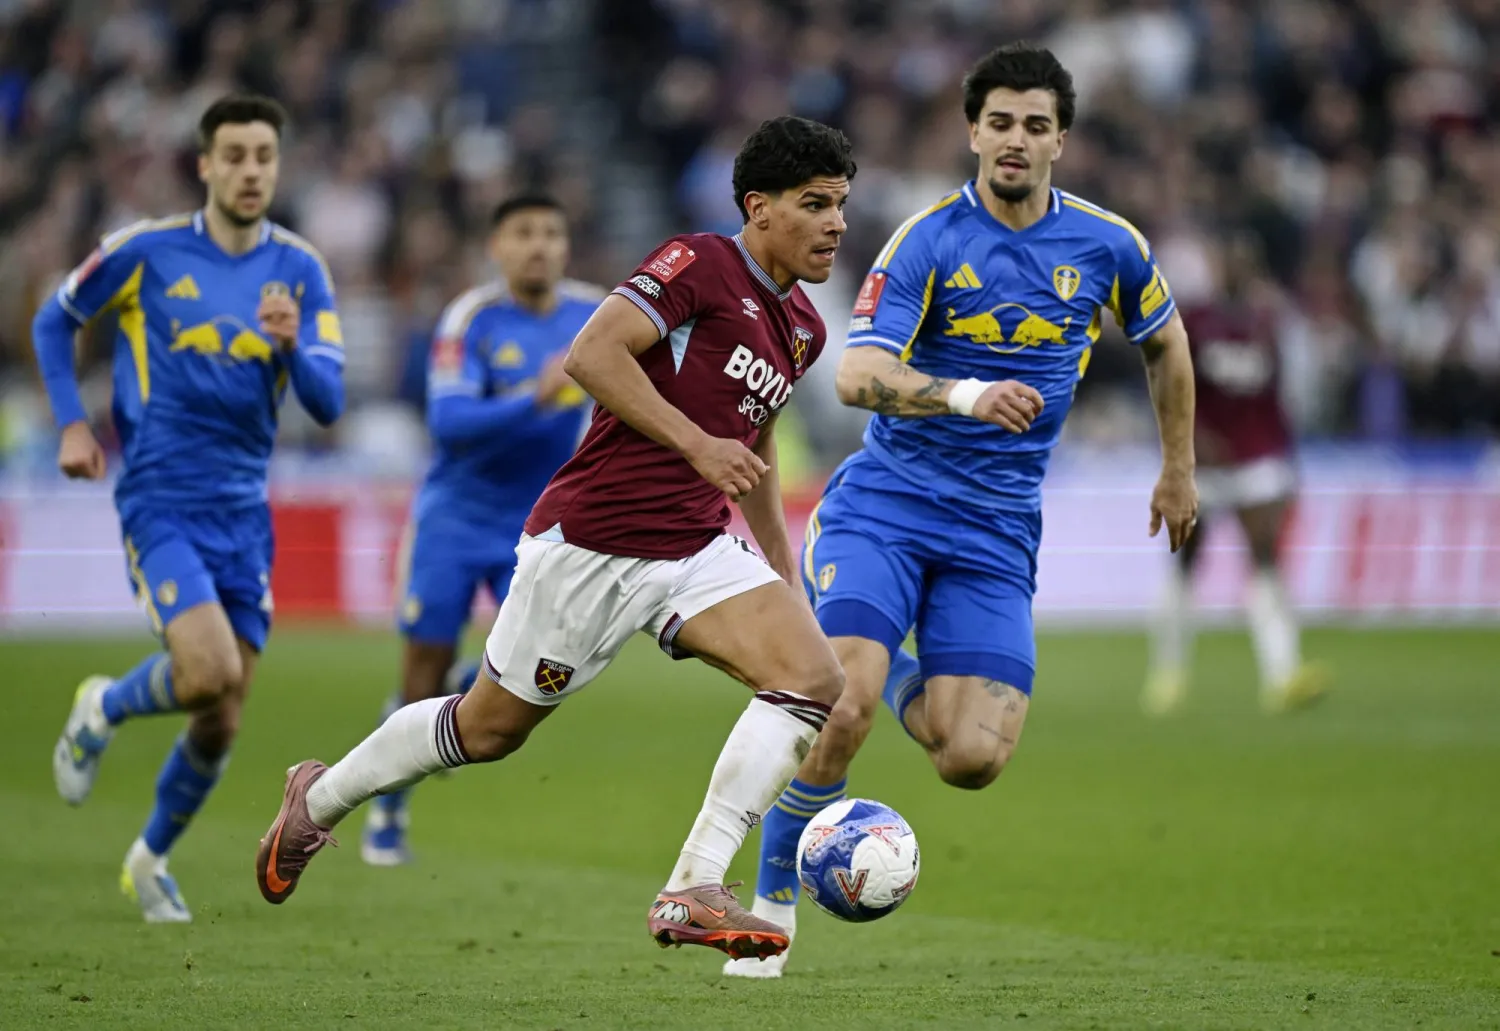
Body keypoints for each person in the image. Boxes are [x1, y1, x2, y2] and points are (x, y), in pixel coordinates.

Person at [255, 116, 856, 964]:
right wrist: (694, 443)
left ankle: (692, 883)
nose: (836, 222)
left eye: (841, 204)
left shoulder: (802, 328)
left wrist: (781, 571)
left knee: (813, 677)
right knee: (489, 729)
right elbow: (590, 354)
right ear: (759, 208)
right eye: (816, 203)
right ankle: (317, 799)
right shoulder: (698, 263)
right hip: (591, 542)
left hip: (689, 550)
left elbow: (751, 438)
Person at [727, 42, 1198, 978]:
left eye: (1035, 125)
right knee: (843, 699)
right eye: (999, 123)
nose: (1015, 140)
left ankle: (885, 670)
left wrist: (1177, 469)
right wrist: (964, 393)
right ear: (972, 131)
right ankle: (772, 903)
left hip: (995, 529)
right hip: (887, 509)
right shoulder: (929, 239)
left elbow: (1167, 346)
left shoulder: (1109, 245)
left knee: (970, 756)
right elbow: (857, 373)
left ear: (1061, 138)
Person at [38, 94, 344, 923]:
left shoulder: (303, 270)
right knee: (207, 669)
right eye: (235, 156)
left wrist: (289, 346)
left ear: (278, 167)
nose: (251, 171)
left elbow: (328, 400)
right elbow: (52, 319)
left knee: (221, 714)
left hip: (245, 511)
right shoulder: (147, 251)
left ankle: (149, 858)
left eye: (264, 157)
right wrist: (72, 421)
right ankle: (101, 704)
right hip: (161, 495)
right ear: (205, 165)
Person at [363, 194, 604, 866]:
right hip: (455, 518)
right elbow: (451, 424)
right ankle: (388, 808)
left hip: (540, 524)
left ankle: (455, 700)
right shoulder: (472, 318)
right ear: (496, 248)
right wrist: (538, 393)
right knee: (422, 673)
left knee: (558, 660)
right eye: (523, 233)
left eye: (552, 233)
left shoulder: (596, 312)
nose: (540, 246)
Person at [1142, 233, 1327, 716]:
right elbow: (1170, 380)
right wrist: (1189, 439)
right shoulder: (1195, 322)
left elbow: (1277, 396)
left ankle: (1283, 675)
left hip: (1260, 457)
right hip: (1204, 463)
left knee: (1265, 556)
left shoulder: (1268, 323)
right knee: (1188, 559)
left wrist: (1286, 461)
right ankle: (1169, 671)